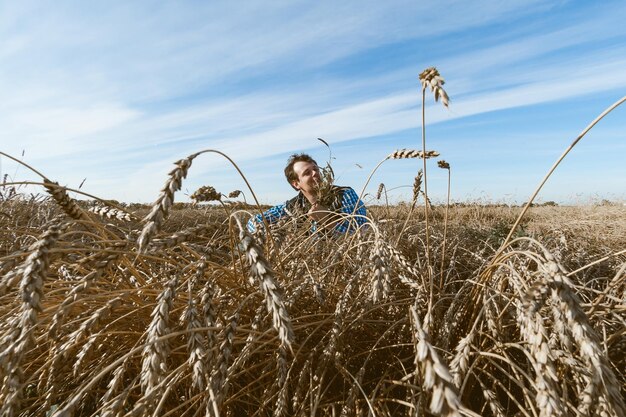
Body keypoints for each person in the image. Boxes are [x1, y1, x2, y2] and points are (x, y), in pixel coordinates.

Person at [247, 153, 367, 234]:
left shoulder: (344, 195)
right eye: (307, 172)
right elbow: (254, 221)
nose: (315, 173)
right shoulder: (292, 207)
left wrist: (327, 220)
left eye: (315, 169)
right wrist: (268, 235)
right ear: (296, 184)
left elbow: (362, 234)